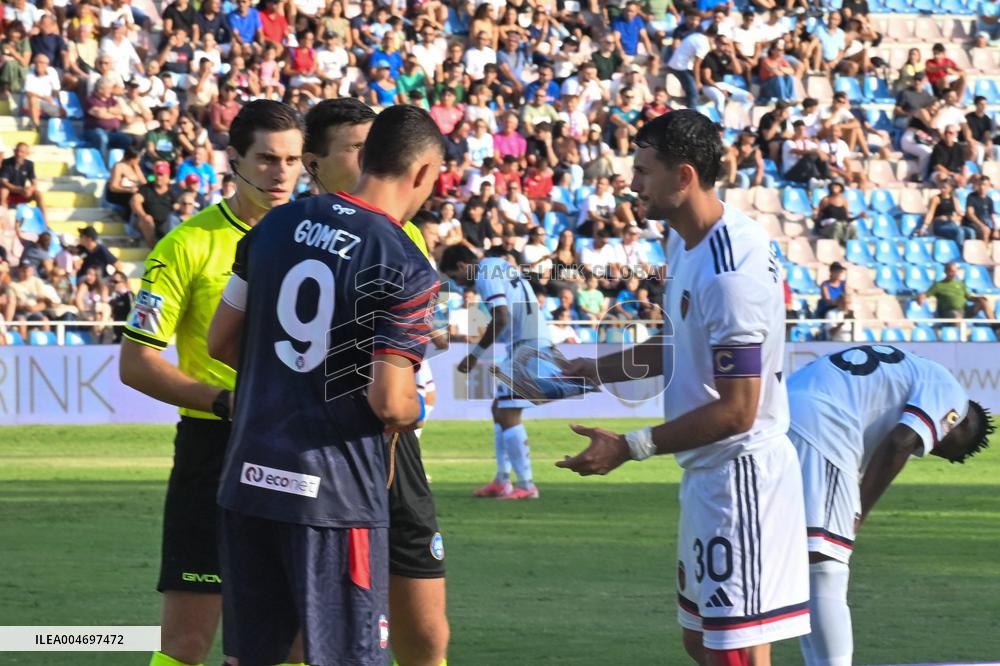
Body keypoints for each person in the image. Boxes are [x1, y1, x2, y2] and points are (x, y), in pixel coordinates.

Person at [557, 110, 809, 665]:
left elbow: (739, 410)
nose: (632, 183)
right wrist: (590, 369)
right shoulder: (686, 242)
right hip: (709, 476)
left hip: (740, 476)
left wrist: (629, 446)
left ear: (684, 176)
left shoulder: (731, 270)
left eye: (644, 170)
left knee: (733, 651)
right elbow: (680, 347)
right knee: (702, 641)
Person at [205, 104, 442, 666]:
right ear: (425, 173)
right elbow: (391, 401)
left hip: (248, 480)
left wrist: (295, 378)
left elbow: (221, 341)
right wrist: (415, 410)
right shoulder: (404, 262)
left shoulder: (275, 226)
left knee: (251, 656)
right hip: (334, 497)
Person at [118, 100, 304, 666]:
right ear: (234, 160)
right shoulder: (186, 245)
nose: (280, 172)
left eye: (293, 160)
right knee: (187, 643)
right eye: (267, 158)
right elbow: (137, 363)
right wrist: (228, 402)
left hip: (301, 453)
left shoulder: (318, 242)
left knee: (300, 640)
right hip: (215, 451)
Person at [300, 97, 450, 666]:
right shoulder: (291, 231)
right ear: (314, 164)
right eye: (359, 149)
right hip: (329, 448)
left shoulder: (403, 241)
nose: (371, 161)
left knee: (426, 632)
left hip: (393, 453)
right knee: (320, 634)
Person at [787, 346, 993, 666]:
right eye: (942, 448)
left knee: (805, 563)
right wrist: (860, 510)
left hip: (782, 413)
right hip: (823, 425)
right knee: (827, 564)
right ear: (959, 424)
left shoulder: (910, 371)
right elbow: (901, 441)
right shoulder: (950, 392)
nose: (931, 448)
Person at [440, 243, 552, 501]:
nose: (459, 285)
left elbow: (501, 317)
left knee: (509, 412)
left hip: (528, 346)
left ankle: (526, 485)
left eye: (456, 277)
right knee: (498, 409)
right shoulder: (497, 265)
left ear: (461, 266)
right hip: (526, 343)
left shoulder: (484, 274)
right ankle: (502, 480)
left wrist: (475, 354)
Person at [917, 260, 994, 320]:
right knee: (955, 316)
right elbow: (926, 294)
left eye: (955, 271)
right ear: (946, 272)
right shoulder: (938, 285)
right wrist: (921, 297)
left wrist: (979, 299)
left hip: (965, 311)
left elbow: (968, 297)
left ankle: (995, 326)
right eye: (951, 271)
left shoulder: (960, 283)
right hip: (950, 313)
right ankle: (958, 337)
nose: (953, 273)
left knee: (983, 302)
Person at [0, 142, 47, 221]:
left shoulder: (29, 164)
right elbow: (4, 182)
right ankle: (4, 221)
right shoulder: (6, 162)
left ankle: (44, 222)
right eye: (17, 151)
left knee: (38, 194)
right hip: (10, 192)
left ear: (27, 154)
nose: (19, 154)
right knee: (3, 191)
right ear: (14, 151)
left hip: (21, 193)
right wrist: (20, 189)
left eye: (22, 152)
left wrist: (30, 189)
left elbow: (34, 183)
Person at [964, 175, 1000, 241]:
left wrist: (996, 229)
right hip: (972, 224)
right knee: (985, 230)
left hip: (985, 224)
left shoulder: (989, 200)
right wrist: (982, 225)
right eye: (980, 184)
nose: (982, 187)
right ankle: (984, 250)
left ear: (989, 186)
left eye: (984, 185)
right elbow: (970, 214)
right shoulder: (971, 197)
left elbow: (993, 216)